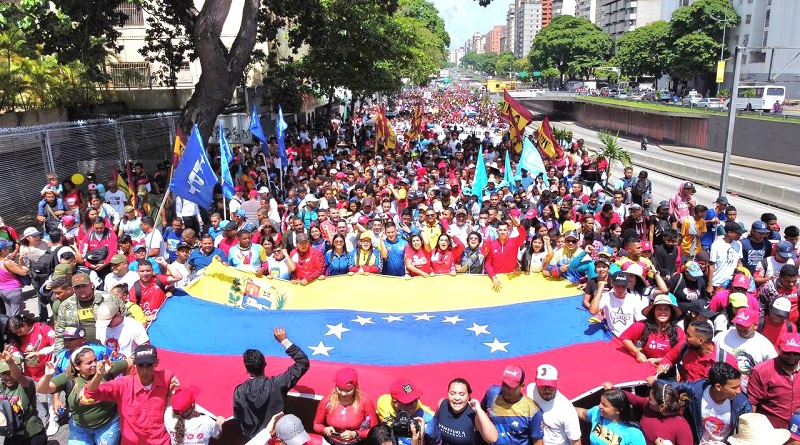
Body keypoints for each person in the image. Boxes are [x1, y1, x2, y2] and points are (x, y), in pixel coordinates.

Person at [81, 344, 177, 445]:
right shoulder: (123, 385)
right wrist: (98, 376)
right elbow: (89, 395)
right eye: (140, 365)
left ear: (156, 363)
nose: (144, 371)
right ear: (135, 365)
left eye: (149, 365)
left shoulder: (167, 378)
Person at [36, 344, 131, 445]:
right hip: (80, 427)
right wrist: (47, 376)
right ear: (77, 366)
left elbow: (131, 361)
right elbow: (41, 389)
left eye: (95, 360)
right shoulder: (68, 378)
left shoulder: (105, 368)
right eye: (89, 363)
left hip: (107, 425)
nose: (94, 364)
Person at [233, 327, 310, 441]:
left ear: (247, 370)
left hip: (253, 440)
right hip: (278, 439)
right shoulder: (278, 384)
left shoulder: (239, 391)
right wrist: (284, 341)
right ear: (265, 364)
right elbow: (303, 362)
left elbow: (238, 417)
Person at [663, 362, 751, 445]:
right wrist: (654, 381)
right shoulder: (695, 392)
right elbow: (670, 387)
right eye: (734, 388)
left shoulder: (742, 404)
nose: (739, 391)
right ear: (718, 387)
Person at [601, 381, 692, 445]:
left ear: (662, 407)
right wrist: (613, 389)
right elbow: (635, 399)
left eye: (651, 400)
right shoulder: (648, 406)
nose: (648, 400)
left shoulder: (682, 427)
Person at [713, 308, 777, 392]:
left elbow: (773, 370)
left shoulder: (765, 345)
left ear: (756, 326)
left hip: (749, 392)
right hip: (721, 390)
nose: (740, 328)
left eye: (745, 325)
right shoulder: (721, 337)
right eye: (738, 324)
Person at [745, 332, 800, 429]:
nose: (792, 356)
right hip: (770, 431)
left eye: (796, 353)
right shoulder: (762, 371)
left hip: (797, 432)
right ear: (779, 349)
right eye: (787, 352)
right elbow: (752, 403)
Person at [312, 367, 378, 445]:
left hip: (356, 442)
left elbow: (375, 430)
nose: (343, 394)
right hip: (332, 442)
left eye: (348, 390)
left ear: (355, 387)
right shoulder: (327, 400)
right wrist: (324, 429)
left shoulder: (365, 401)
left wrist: (355, 434)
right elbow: (316, 424)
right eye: (340, 389)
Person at [619, 295, 685, 372]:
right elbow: (624, 338)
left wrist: (657, 360)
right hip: (645, 368)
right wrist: (637, 352)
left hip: (667, 369)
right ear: (653, 311)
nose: (662, 312)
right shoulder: (642, 325)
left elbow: (681, 352)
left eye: (666, 309)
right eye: (659, 309)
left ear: (671, 313)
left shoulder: (678, 331)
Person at [481, 365, 544, 445]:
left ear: (522, 386)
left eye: (511, 386)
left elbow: (538, 442)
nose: (506, 389)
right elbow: (480, 414)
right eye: (504, 384)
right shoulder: (492, 393)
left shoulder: (533, 411)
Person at [0, 345, 46, 445]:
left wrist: (10, 362)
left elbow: (18, 377)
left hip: (32, 434)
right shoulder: (2, 386)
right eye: (4, 374)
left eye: (9, 373)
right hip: (12, 434)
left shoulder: (26, 383)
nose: (7, 377)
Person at [524, 365, 580, 445]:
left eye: (551, 387)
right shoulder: (530, 390)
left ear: (557, 384)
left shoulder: (567, 410)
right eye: (543, 387)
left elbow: (576, 442)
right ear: (536, 382)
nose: (547, 391)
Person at [434, 377, 498, 445]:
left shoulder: (474, 414)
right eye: (452, 393)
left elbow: (492, 438)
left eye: (462, 394)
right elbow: (433, 426)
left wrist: (479, 410)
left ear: (468, 396)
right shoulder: (441, 404)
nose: (457, 398)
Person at [375, 378, 439, 445]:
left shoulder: (428, 421)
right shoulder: (382, 403)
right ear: (395, 403)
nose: (414, 404)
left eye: (416, 399)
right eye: (409, 402)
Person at [575, 388, 645, 445]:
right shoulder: (597, 412)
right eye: (600, 402)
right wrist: (568, 407)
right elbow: (583, 414)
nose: (600, 406)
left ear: (618, 410)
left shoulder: (634, 434)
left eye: (604, 405)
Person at [589, 271, 648, 338]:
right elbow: (593, 311)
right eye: (617, 286)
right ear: (612, 284)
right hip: (611, 336)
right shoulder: (606, 297)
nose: (620, 290)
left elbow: (640, 321)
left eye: (623, 286)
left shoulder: (634, 300)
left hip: (628, 336)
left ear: (627, 285)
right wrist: (599, 289)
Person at [484, 218, 526, 291]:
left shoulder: (514, 242)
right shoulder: (491, 244)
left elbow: (523, 236)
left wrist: (519, 225)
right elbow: (488, 263)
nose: (502, 232)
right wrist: (493, 277)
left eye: (504, 230)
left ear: (508, 231)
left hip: (511, 279)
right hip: (496, 279)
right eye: (500, 230)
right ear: (497, 231)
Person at [707, 221, 744, 294]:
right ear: (730, 233)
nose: (740, 235)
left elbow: (739, 262)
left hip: (732, 282)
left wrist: (741, 276)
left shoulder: (738, 244)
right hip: (718, 282)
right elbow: (711, 266)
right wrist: (710, 284)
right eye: (738, 233)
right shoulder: (716, 245)